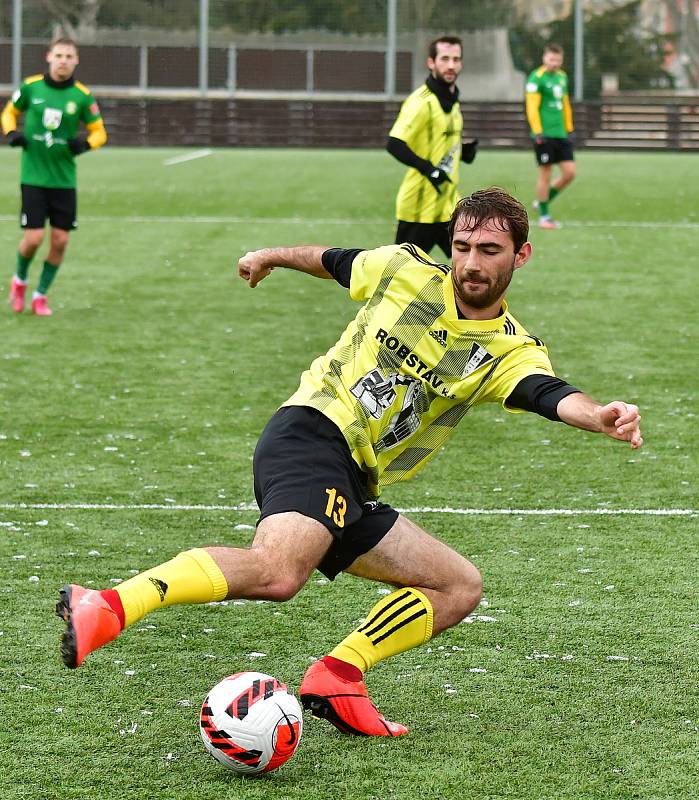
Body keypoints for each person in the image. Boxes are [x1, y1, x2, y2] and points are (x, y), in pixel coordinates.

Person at [56, 188, 642, 740]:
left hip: (353, 478)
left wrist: (598, 416)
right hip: (311, 430)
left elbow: (546, 391)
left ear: (521, 255)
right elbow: (332, 259)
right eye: (462, 247)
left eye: (489, 251)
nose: (471, 263)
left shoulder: (507, 348)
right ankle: (107, 605)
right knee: (279, 572)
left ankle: (338, 676)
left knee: (457, 585)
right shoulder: (407, 272)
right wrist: (270, 256)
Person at [1, 37, 107, 316]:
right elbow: (9, 112)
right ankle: (19, 281)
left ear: (76, 60)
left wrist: (84, 144)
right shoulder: (31, 87)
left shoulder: (81, 96)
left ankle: (40, 295)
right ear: (49, 57)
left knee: (60, 241)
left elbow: (100, 132)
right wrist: (11, 133)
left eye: (68, 56)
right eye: (58, 55)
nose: (63, 60)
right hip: (33, 177)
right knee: (34, 238)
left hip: (64, 180)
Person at [386, 35, 478, 258]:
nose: (451, 65)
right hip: (420, 207)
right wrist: (429, 169)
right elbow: (394, 144)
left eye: (456, 59)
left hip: (448, 206)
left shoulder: (452, 101)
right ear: (431, 63)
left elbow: (442, 141)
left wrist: (463, 151)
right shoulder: (421, 102)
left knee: (471, 268)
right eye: (444, 58)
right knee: (398, 277)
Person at [525, 43, 575, 230]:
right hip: (544, 134)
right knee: (545, 174)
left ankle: (541, 202)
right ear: (544, 58)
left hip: (561, 133)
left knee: (570, 173)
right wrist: (537, 131)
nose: (554, 63)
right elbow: (531, 107)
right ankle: (544, 217)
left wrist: (569, 127)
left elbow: (565, 103)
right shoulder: (536, 78)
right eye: (551, 59)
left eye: (558, 60)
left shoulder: (562, 77)